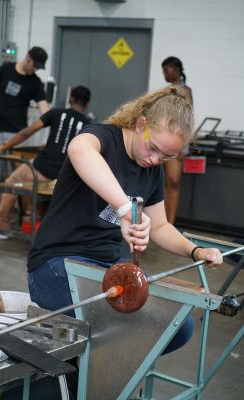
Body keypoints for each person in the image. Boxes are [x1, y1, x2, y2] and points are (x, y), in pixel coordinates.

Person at [27, 87, 223, 355]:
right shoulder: (104, 138)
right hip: (56, 263)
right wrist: (124, 208)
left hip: (106, 268)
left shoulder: (153, 171)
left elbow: (161, 226)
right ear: (141, 123)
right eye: (152, 147)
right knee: (110, 330)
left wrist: (195, 250)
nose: (154, 159)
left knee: (179, 328)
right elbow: (78, 149)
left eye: (166, 156)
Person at [0, 85, 91, 239]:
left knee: (12, 182)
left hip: (42, 170)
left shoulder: (56, 113)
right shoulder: (89, 125)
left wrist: (5, 146)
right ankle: (38, 223)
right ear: (87, 104)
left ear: (71, 99)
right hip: (65, 176)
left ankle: (1, 224)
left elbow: (26, 132)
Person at [0, 46, 50, 182]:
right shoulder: (6, 69)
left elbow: (44, 107)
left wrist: (52, 120)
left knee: (18, 176)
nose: (35, 69)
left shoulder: (35, 83)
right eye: (35, 65)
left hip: (18, 135)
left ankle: (12, 203)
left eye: (38, 68)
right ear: (28, 58)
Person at [161, 56, 193, 224]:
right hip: (162, 140)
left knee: (173, 182)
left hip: (176, 143)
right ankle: (161, 222)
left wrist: (183, 147)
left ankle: (169, 223)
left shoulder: (185, 90)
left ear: (176, 69)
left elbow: (188, 120)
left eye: (166, 70)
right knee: (164, 182)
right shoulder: (167, 90)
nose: (164, 74)